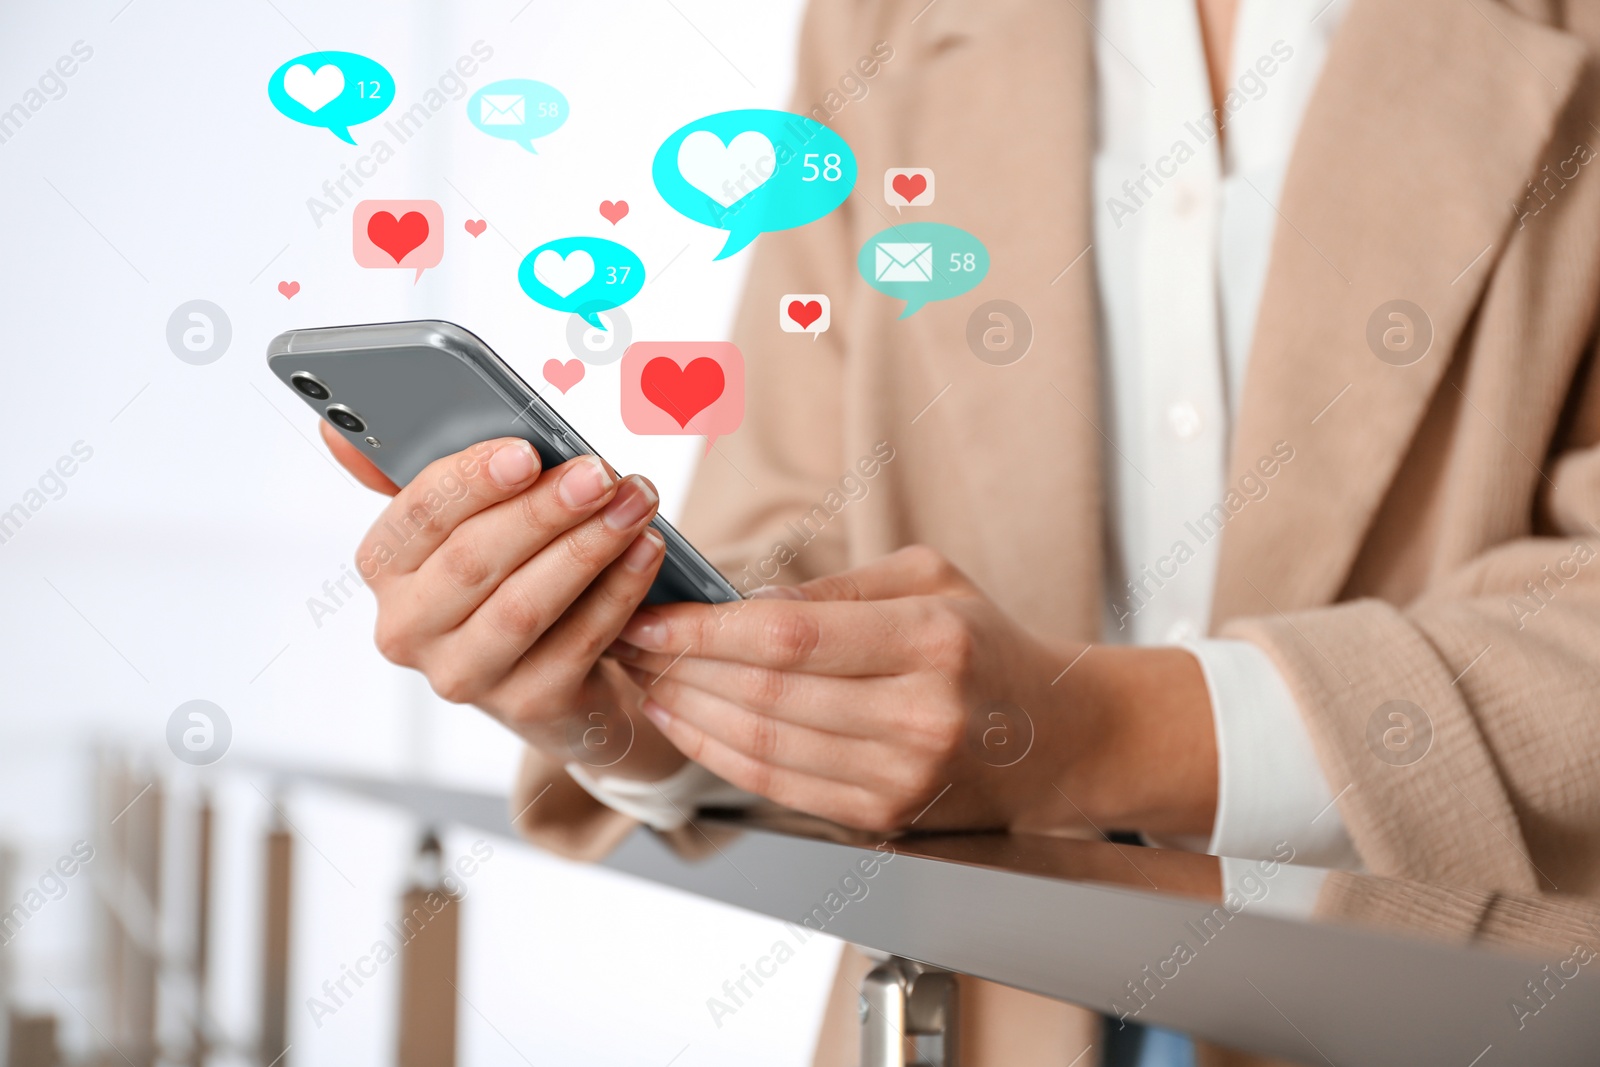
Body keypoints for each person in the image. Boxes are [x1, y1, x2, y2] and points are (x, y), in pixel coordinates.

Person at [324, 0, 1600, 1062]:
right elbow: (792, 541)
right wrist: (608, 690)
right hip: (968, 1016)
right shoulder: (880, 25)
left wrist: (1093, 731)